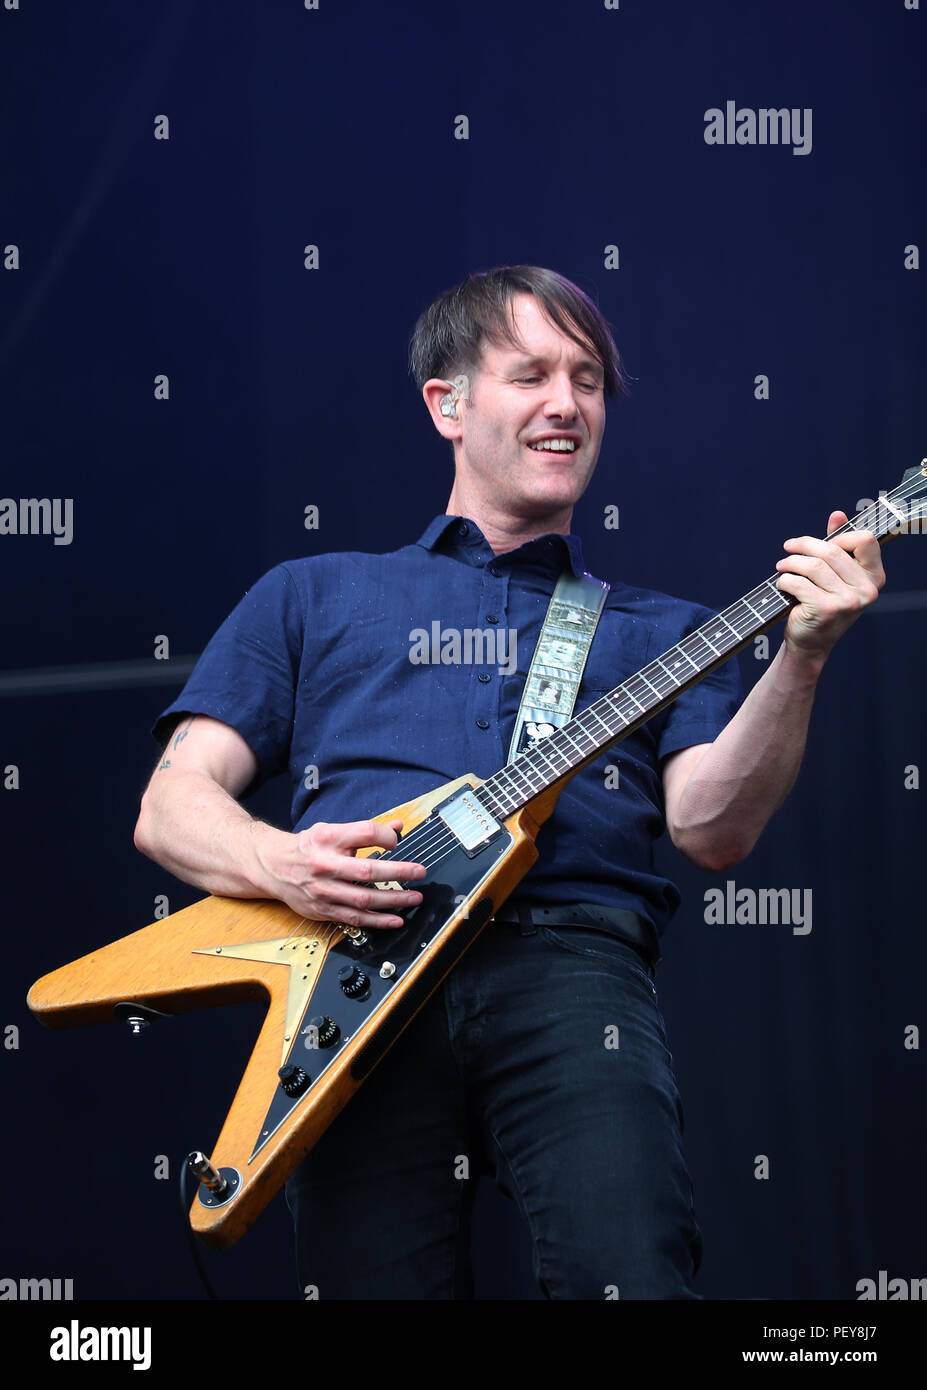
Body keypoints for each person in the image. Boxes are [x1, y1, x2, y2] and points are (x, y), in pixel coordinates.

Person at [134, 266, 885, 1299]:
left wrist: (803, 654)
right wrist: (283, 864)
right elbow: (170, 808)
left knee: (629, 1275)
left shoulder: (663, 628)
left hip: (573, 968)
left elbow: (713, 829)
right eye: (530, 373)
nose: (567, 402)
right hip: (355, 979)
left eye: (586, 378)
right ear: (447, 403)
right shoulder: (311, 595)